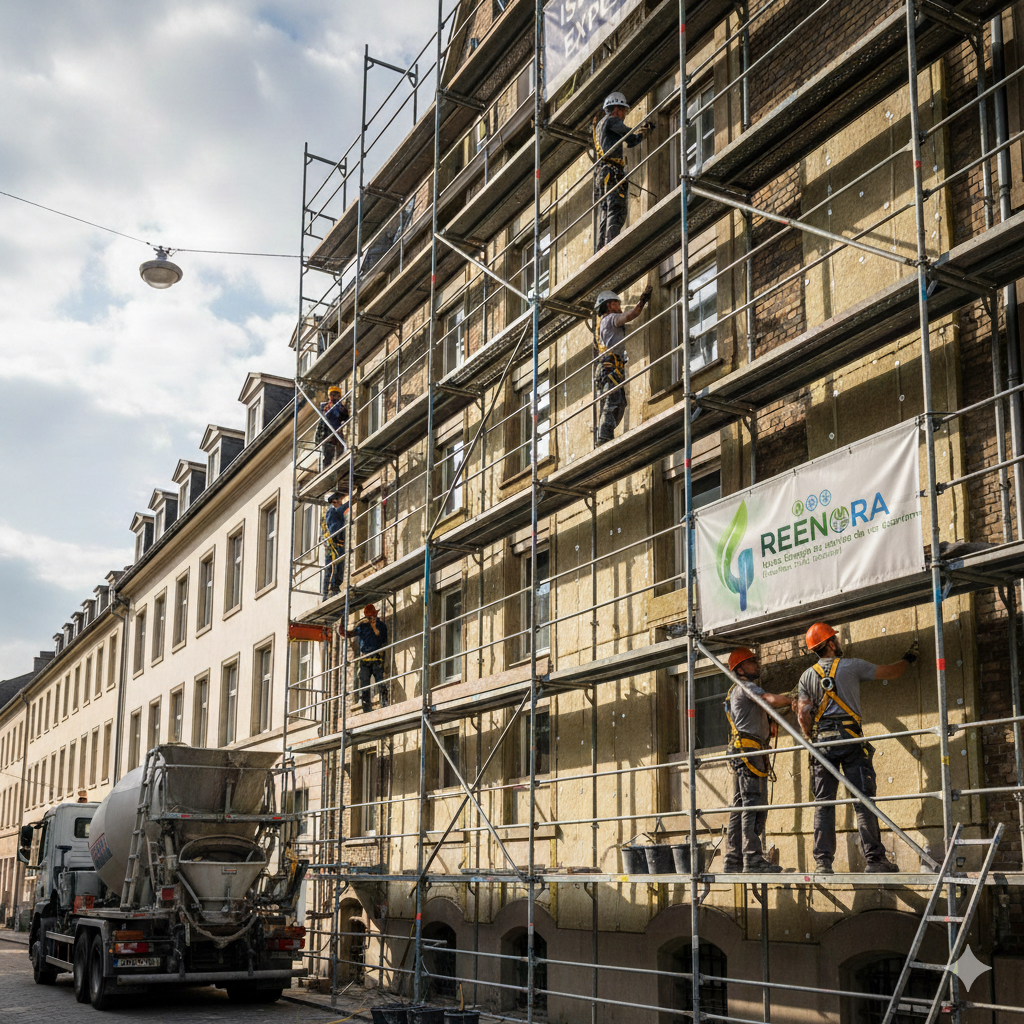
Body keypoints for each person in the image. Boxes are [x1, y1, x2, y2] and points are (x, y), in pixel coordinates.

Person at [796, 622, 919, 874]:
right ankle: (875, 861)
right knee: (862, 801)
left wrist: (810, 737)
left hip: (822, 744)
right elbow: (892, 672)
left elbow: (803, 714)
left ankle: (823, 863)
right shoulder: (852, 666)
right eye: (835, 639)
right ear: (831, 644)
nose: (838, 642)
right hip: (850, 738)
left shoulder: (806, 676)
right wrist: (909, 658)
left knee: (824, 803)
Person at [722, 647, 794, 873]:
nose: (757, 664)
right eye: (751, 662)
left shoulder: (735, 692)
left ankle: (733, 859)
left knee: (741, 805)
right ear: (740, 669)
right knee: (753, 804)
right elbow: (768, 699)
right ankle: (752, 858)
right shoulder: (746, 687)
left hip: (744, 752)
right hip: (749, 753)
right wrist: (793, 700)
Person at [592, 92, 652, 250]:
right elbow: (629, 137)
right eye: (623, 110)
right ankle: (611, 247)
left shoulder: (599, 126)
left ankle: (601, 249)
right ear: (617, 109)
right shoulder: (612, 120)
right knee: (616, 209)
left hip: (601, 175)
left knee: (605, 212)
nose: (624, 115)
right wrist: (644, 132)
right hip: (612, 172)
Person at [594, 284, 652, 445]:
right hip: (611, 366)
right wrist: (642, 301)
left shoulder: (605, 323)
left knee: (619, 401)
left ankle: (606, 434)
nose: (620, 307)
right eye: (617, 304)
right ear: (609, 305)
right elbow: (631, 315)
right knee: (613, 399)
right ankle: (604, 436)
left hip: (609, 367)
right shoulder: (612, 319)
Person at [347, 604, 389, 713]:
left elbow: (383, 639)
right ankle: (366, 708)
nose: (371, 618)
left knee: (380, 682)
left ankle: (385, 703)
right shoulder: (362, 626)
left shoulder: (381, 625)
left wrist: (374, 628)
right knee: (364, 685)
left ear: (376, 615)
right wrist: (343, 628)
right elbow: (350, 633)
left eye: (372, 616)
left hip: (376, 658)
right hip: (365, 659)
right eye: (369, 617)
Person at [317, 385, 350, 470]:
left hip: (337, 433)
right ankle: (326, 470)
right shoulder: (325, 406)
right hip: (327, 434)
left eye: (336, 395)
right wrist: (318, 438)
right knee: (327, 456)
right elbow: (322, 421)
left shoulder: (340, 407)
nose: (334, 397)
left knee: (339, 454)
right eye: (332, 395)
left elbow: (345, 416)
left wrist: (341, 407)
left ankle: (339, 468)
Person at [321, 492, 347, 598]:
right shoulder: (332, 512)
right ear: (334, 502)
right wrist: (352, 500)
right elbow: (341, 510)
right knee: (334, 567)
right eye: (339, 500)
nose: (340, 501)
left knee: (339, 565)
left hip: (338, 543)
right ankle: (331, 589)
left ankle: (334, 587)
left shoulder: (334, 511)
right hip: (334, 544)